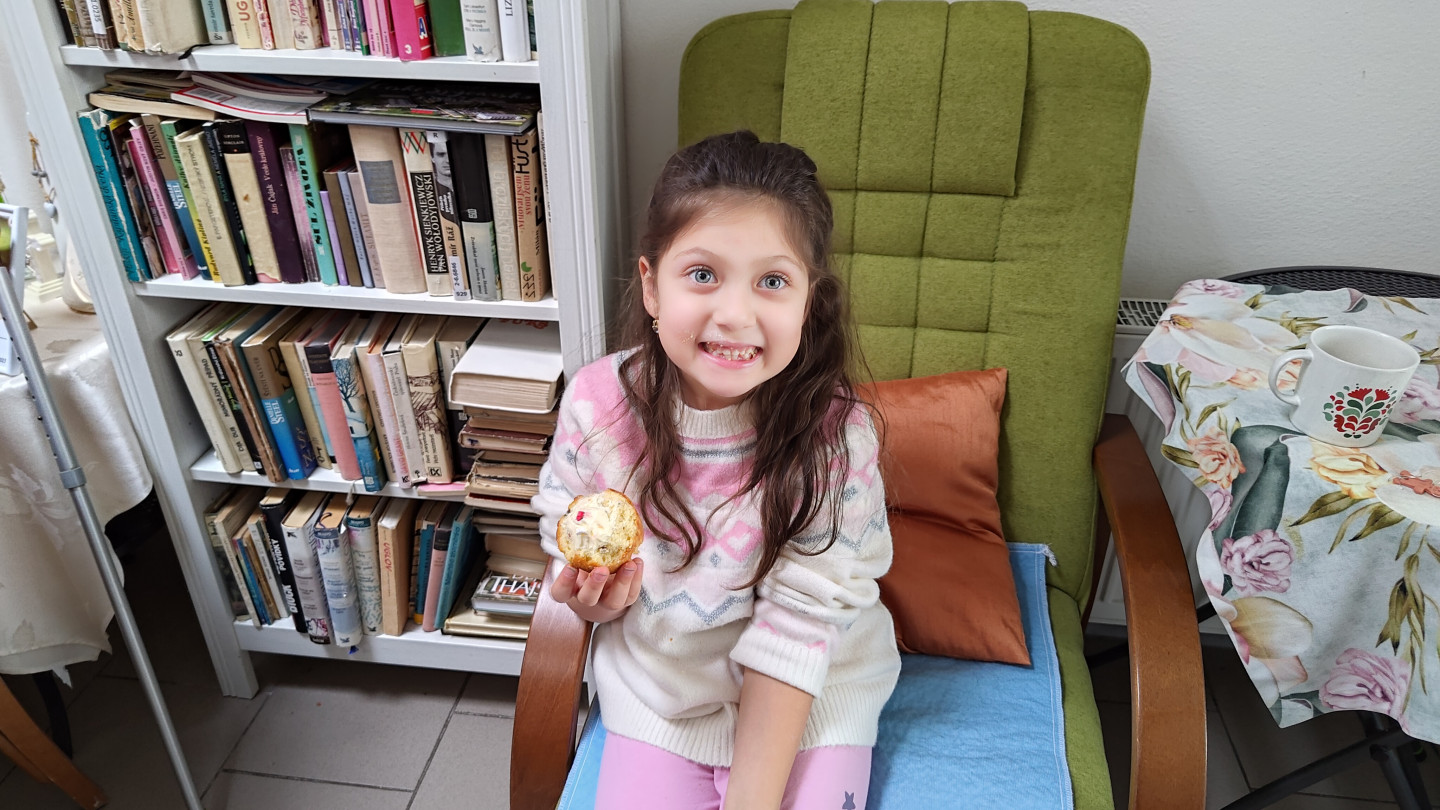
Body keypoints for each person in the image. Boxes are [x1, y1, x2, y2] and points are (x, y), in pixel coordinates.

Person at [532, 130, 900, 810]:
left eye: (772, 281)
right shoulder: (595, 403)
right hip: (662, 699)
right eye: (702, 274)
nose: (734, 315)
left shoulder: (837, 438)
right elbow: (565, 534)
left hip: (812, 697)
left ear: (809, 300)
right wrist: (590, 596)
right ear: (651, 286)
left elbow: (799, 632)